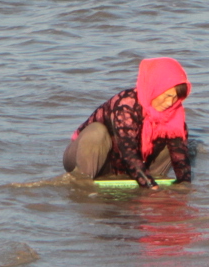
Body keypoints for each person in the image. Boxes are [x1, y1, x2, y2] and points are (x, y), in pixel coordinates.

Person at [64, 57, 195, 187]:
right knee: (97, 131)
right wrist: (150, 186)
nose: (170, 103)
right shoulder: (126, 104)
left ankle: (145, 177)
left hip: (131, 165)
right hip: (90, 158)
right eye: (167, 96)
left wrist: (184, 187)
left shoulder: (174, 112)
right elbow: (128, 152)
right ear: (154, 88)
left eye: (175, 98)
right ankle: (82, 182)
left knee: (174, 134)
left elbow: (180, 156)